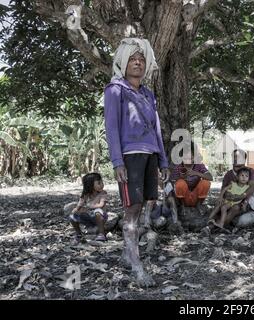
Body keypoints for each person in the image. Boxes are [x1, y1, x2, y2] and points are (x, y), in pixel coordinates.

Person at [104, 38, 169, 286]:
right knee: (131, 210)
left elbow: (157, 129)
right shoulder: (115, 89)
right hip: (130, 157)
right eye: (133, 59)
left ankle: (126, 254)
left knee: (143, 207)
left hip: (150, 155)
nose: (138, 63)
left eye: (141, 60)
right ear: (123, 62)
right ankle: (136, 266)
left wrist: (163, 160)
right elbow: (111, 127)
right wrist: (117, 161)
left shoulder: (148, 94)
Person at [207, 149, 254, 229]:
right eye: (234, 157)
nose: (236, 159)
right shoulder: (228, 174)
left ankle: (217, 226)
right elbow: (224, 190)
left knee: (236, 208)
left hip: (243, 202)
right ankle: (210, 223)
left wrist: (244, 199)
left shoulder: (249, 171)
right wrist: (223, 197)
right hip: (229, 200)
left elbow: (253, 186)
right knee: (220, 206)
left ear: (244, 160)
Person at [168, 141, 212, 214]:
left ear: (194, 158)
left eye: (190, 158)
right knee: (180, 183)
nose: (188, 160)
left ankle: (199, 205)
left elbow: (210, 177)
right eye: (185, 158)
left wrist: (196, 173)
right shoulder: (178, 167)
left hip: (196, 197)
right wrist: (181, 178)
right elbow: (171, 183)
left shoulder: (199, 165)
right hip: (183, 198)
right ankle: (182, 206)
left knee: (206, 182)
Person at [208, 167, 251, 232]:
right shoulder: (232, 184)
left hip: (233, 202)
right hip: (226, 199)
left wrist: (244, 204)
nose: (244, 177)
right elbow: (224, 189)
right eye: (242, 175)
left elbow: (246, 197)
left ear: (248, 178)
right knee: (218, 206)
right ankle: (209, 219)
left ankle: (221, 223)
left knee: (224, 207)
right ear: (237, 177)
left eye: (246, 176)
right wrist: (220, 197)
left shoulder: (247, 187)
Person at [69, 173, 108, 244]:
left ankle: (102, 234)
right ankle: (78, 234)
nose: (102, 184)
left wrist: (89, 206)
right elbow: (81, 202)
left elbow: (101, 205)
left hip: (100, 217)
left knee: (97, 211)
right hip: (89, 217)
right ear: (90, 185)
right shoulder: (86, 194)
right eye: (99, 183)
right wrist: (77, 209)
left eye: (102, 182)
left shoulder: (103, 193)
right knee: (72, 217)